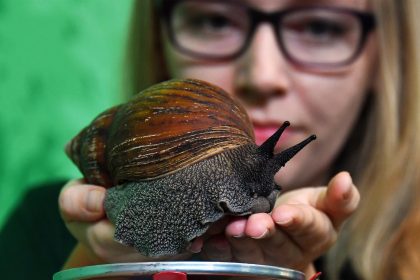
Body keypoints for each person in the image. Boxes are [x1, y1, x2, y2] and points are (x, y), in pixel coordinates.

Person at [5, 0, 419, 279]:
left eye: (319, 27)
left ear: (385, 60)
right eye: (215, 20)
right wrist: (99, 267)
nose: (261, 74)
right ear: (159, 41)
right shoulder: (44, 230)